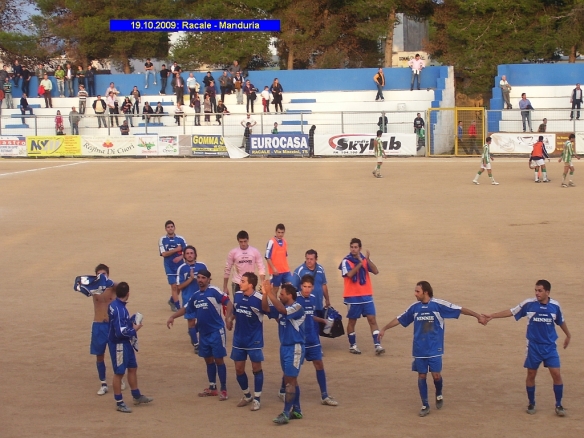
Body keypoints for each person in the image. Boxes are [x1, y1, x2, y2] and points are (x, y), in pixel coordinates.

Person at [379, 281, 487, 417]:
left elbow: (459, 309)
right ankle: (425, 404)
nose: (415, 294)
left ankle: (439, 393)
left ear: (426, 292)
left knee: (436, 375)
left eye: (417, 291)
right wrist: (384, 328)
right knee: (421, 375)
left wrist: (477, 316)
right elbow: (400, 319)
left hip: (435, 348)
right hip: (419, 349)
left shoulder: (438, 305)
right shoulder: (414, 308)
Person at [484, 280, 571, 417]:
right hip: (533, 347)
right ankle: (531, 403)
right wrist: (492, 316)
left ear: (547, 292)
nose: (537, 293)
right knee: (531, 374)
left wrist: (568, 335)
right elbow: (512, 311)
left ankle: (558, 404)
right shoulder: (529, 304)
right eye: (536, 290)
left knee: (556, 374)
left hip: (550, 347)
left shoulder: (555, 306)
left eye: (540, 291)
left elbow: (561, 321)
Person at [167, 269, 233, 401]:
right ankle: (213, 387)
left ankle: (224, 389)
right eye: (199, 278)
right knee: (208, 360)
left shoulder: (214, 291)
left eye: (203, 278)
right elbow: (186, 309)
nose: (200, 280)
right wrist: (173, 316)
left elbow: (229, 303)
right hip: (203, 334)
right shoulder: (195, 295)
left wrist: (228, 318)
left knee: (219, 360)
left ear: (209, 280)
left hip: (216, 332)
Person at [73, 264, 123, 395]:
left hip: (112, 325)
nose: (101, 277)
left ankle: (119, 378)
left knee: (115, 354)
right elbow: (80, 286)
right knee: (99, 356)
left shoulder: (113, 287)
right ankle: (103, 383)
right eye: (99, 275)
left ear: (107, 274)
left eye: (104, 274)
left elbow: (122, 287)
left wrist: (109, 282)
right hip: (99, 325)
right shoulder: (94, 289)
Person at [261, 280, 305, 425]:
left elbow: (281, 310)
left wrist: (270, 292)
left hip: (295, 348)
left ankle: (286, 413)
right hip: (285, 347)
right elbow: (266, 308)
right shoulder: (284, 307)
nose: (280, 296)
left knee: (290, 380)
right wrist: (265, 294)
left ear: (290, 295)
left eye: (282, 294)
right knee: (290, 379)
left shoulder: (297, 307)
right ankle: (297, 410)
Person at [108, 282, 153, 413]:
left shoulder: (115, 306)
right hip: (119, 344)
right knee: (119, 373)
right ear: (128, 294)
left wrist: (130, 320)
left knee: (132, 367)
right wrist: (135, 329)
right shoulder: (120, 309)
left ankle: (136, 395)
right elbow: (120, 332)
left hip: (125, 343)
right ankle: (119, 402)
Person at [225, 272, 265, 411]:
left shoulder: (260, 299)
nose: (240, 283)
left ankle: (257, 399)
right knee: (238, 369)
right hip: (239, 339)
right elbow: (235, 311)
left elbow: (270, 312)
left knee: (256, 368)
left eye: (243, 281)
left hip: (254, 340)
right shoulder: (238, 295)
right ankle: (247, 395)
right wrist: (230, 319)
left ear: (251, 284)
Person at [339, 238, 384, 355]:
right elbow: (349, 274)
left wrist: (367, 260)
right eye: (352, 247)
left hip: (366, 295)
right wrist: (360, 263)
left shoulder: (364, 259)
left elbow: (375, 271)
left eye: (356, 247)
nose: (353, 249)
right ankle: (352, 345)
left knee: (372, 319)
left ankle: (377, 345)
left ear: (360, 248)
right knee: (352, 321)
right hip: (352, 296)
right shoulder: (346, 261)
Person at [176, 245, 207, 352]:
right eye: (187, 253)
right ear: (184, 255)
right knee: (191, 321)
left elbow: (208, 280)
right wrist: (190, 279)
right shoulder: (181, 268)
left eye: (191, 253)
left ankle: (194, 333)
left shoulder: (202, 266)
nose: (190, 255)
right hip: (188, 299)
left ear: (195, 254)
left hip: (202, 297)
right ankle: (196, 344)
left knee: (203, 321)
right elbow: (178, 287)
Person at [223, 230, 266, 298]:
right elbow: (227, 269)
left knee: (251, 303)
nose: (243, 244)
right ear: (238, 241)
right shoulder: (233, 253)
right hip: (237, 283)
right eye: (241, 242)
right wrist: (225, 287)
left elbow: (261, 267)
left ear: (248, 240)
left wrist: (263, 282)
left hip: (250, 283)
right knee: (238, 304)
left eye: (245, 241)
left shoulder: (255, 252)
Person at [292, 250, 330, 319]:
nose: (309, 261)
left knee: (319, 327)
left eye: (311, 259)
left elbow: (323, 285)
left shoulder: (321, 269)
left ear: (316, 259)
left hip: (318, 305)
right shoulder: (299, 271)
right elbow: (293, 289)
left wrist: (327, 299)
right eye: (307, 259)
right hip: (305, 307)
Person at [159, 220, 187, 312]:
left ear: (174, 228)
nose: (170, 228)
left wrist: (180, 257)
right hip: (169, 266)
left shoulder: (181, 239)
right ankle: (178, 307)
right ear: (165, 229)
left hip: (180, 266)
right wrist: (176, 250)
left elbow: (187, 251)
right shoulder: (162, 239)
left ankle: (172, 300)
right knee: (174, 286)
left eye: (171, 226)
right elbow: (163, 254)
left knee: (180, 286)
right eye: (168, 227)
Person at [265, 224, 292, 292]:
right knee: (275, 289)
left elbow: (284, 256)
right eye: (279, 232)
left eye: (282, 232)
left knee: (289, 287)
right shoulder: (271, 242)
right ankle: (274, 303)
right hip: (275, 271)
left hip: (285, 270)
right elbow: (267, 256)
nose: (280, 234)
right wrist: (273, 268)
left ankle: (285, 302)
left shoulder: (285, 242)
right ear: (275, 232)